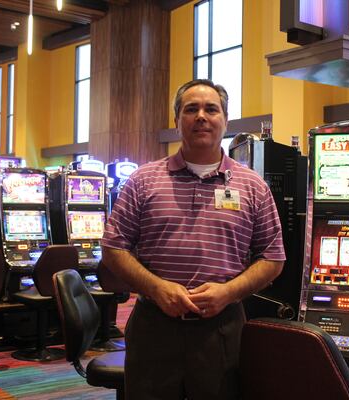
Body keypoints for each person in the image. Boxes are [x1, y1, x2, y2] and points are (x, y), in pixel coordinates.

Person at [101, 79, 285, 400]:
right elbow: (114, 248)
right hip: (154, 326)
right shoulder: (143, 180)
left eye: (211, 109)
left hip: (222, 328)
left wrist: (228, 292)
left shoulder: (254, 186)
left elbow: (273, 258)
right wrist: (157, 288)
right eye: (191, 109)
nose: (201, 116)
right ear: (177, 122)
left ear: (225, 120)